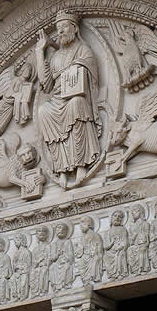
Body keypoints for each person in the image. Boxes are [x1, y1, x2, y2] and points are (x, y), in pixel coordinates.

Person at [35, 11, 101, 188]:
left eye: (64, 27)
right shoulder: (56, 56)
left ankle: (80, 164)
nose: (61, 31)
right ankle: (62, 168)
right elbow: (46, 84)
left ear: (74, 28)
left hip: (76, 96)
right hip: (57, 99)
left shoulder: (83, 49)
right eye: (58, 28)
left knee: (76, 104)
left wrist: (75, 67)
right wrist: (39, 52)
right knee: (43, 111)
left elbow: (91, 72)